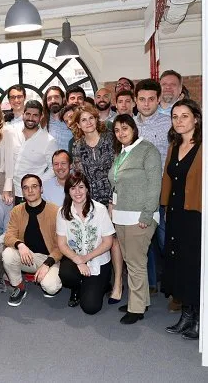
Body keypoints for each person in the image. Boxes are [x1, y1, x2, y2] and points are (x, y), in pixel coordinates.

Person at [108, 114, 162, 325]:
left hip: (139, 216)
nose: (121, 133)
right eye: (117, 130)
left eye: (125, 128)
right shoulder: (121, 153)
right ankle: (141, 300)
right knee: (132, 262)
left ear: (134, 129)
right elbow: (117, 184)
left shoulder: (147, 150)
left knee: (136, 263)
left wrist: (148, 214)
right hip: (121, 215)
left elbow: (154, 184)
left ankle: (137, 308)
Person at [71, 105, 123, 302]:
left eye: (91, 118)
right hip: (90, 200)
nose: (88, 122)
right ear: (78, 124)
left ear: (96, 119)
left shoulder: (110, 139)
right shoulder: (77, 146)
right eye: (83, 120)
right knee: (96, 240)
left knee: (114, 241)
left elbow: (118, 170)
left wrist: (112, 200)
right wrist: (83, 203)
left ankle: (118, 283)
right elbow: (79, 177)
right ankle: (99, 280)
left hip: (113, 198)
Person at [161, 99, 202, 340]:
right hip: (175, 212)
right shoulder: (173, 146)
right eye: (175, 116)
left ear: (196, 118)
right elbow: (169, 179)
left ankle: (198, 318)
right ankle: (186, 316)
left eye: (184, 116)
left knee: (193, 265)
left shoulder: (203, 147)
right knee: (178, 263)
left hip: (195, 214)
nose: (179, 121)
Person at [57, 172, 115, 315]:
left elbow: (108, 242)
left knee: (90, 308)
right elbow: (62, 244)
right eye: (73, 188)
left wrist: (86, 258)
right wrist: (78, 260)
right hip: (74, 258)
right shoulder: (62, 212)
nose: (77, 192)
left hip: (98, 261)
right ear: (68, 191)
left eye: (81, 187)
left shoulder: (100, 210)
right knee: (66, 274)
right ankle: (77, 286)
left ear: (87, 189)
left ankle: (101, 284)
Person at [134, 78, 171, 301]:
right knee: (142, 242)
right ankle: (149, 285)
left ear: (158, 100)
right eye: (142, 99)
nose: (146, 104)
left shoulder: (169, 124)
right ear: (135, 101)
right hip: (137, 193)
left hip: (162, 192)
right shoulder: (130, 124)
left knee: (165, 239)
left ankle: (174, 286)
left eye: (151, 99)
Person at [2, 174, 62, 306]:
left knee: (51, 287)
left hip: (50, 259)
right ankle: (20, 287)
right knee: (7, 253)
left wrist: (47, 264)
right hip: (27, 257)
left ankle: (46, 278)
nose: (30, 191)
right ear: (22, 191)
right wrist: (20, 245)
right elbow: (8, 236)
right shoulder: (17, 210)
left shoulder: (55, 211)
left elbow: (61, 246)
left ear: (41, 189)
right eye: (26, 187)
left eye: (34, 186)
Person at [12, 100, 57, 204]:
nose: (31, 118)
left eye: (35, 115)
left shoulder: (49, 141)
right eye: (28, 114)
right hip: (9, 191)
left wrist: (36, 182)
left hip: (30, 195)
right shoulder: (13, 132)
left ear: (41, 117)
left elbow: (53, 168)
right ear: (23, 114)